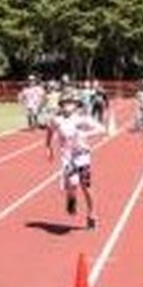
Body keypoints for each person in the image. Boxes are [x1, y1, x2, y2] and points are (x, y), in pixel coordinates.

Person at [46, 93, 105, 228]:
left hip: (83, 157)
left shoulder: (82, 119)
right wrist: (48, 147)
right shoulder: (56, 120)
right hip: (68, 159)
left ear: (76, 106)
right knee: (72, 185)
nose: (68, 106)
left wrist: (86, 134)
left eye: (71, 103)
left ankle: (91, 214)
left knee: (86, 186)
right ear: (61, 105)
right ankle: (71, 199)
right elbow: (49, 130)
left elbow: (102, 129)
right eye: (65, 103)